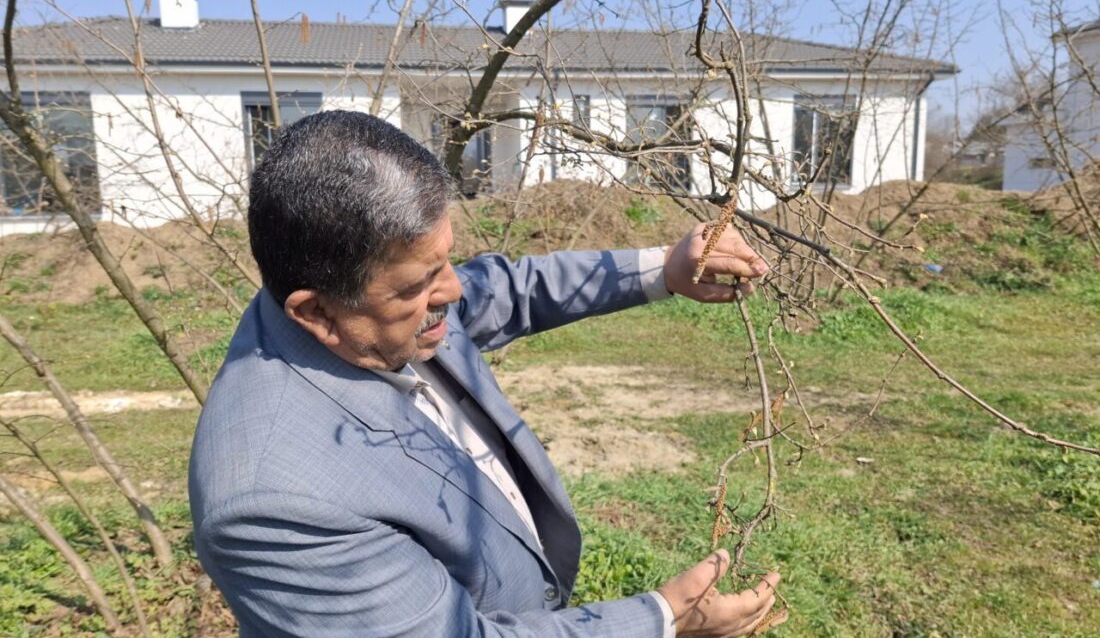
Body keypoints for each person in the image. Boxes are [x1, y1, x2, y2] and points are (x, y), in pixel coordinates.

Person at [189, 110, 780, 637]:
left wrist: (664, 270)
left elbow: (505, 289)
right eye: (420, 286)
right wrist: (662, 620)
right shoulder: (274, 502)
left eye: (445, 260)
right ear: (316, 311)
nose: (453, 290)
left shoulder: (369, 310)